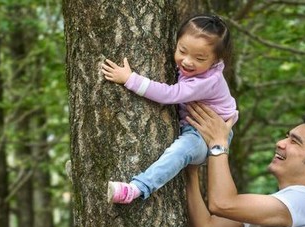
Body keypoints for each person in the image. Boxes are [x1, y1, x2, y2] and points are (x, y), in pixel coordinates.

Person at [101, 14, 238, 204]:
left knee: (180, 151)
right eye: (182, 51)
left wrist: (130, 79)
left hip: (207, 137)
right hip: (197, 128)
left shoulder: (208, 80)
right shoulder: (195, 68)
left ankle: (137, 188)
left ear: (215, 61)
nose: (187, 62)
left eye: (199, 58)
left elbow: (169, 95)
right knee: (179, 150)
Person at [185, 102, 305, 227]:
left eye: (295, 141)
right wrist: (192, 170)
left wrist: (219, 142)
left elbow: (223, 204)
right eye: (287, 137)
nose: (280, 143)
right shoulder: (279, 207)